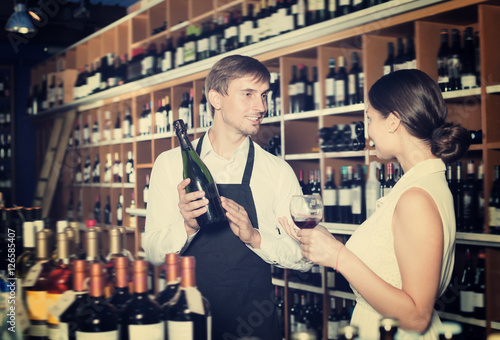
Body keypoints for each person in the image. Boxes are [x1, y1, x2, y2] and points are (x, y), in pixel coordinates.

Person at [280, 69, 471, 339]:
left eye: (369, 118)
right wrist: (328, 244)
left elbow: (416, 317)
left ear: (393, 121)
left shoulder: (415, 197)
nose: (367, 131)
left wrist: (337, 255)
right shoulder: (425, 182)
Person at [142, 54, 311, 340]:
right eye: (248, 94)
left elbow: (304, 257)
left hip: (254, 324)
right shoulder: (170, 164)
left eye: (264, 95)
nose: (261, 107)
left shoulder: (276, 171)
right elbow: (153, 254)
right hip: (187, 322)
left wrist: (255, 237)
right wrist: (187, 227)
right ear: (216, 99)